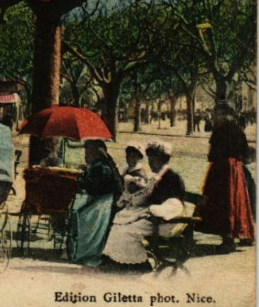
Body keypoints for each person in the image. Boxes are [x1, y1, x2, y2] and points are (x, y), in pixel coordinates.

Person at [102, 141, 186, 272]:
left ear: (163, 159)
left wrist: (154, 209)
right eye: (150, 158)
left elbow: (175, 204)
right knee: (117, 228)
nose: (151, 161)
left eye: (154, 158)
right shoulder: (156, 177)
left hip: (165, 221)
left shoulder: (172, 177)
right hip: (153, 218)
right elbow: (148, 196)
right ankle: (120, 261)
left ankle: (140, 264)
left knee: (127, 232)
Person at [196, 104, 255, 251]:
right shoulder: (238, 130)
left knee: (224, 203)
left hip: (222, 170)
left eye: (220, 114)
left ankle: (228, 238)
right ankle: (244, 234)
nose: (218, 117)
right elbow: (246, 154)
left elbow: (211, 154)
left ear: (227, 115)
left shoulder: (219, 131)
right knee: (238, 201)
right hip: (235, 169)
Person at [66, 140, 123, 266]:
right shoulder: (98, 165)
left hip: (104, 204)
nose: (86, 155)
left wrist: (81, 179)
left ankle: (86, 253)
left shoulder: (103, 168)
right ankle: (78, 250)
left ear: (97, 153)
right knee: (77, 211)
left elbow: (93, 188)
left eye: (89, 152)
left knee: (82, 217)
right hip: (99, 200)